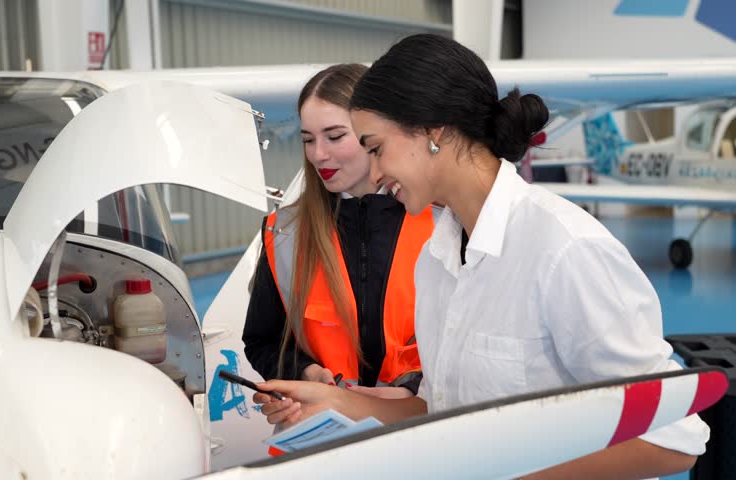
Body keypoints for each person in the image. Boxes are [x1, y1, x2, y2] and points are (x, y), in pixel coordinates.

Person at [253, 35, 708, 478]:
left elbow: (672, 439)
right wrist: (338, 403)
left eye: (376, 148)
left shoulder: (565, 250)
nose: (372, 172)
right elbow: (444, 413)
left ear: (433, 132)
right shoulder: (437, 260)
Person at [242, 63, 435, 399]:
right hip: (327, 432)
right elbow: (262, 342)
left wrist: (413, 390)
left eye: (334, 137)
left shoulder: (441, 223)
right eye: (307, 140)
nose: (319, 154)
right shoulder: (283, 233)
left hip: (422, 428)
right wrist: (303, 371)